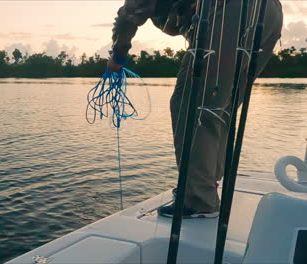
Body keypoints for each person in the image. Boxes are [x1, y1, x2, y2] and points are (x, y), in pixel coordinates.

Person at [107, 0, 283, 218]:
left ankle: (199, 199)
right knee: (220, 106)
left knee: (190, 104)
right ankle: (205, 184)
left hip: (229, 9)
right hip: (269, 12)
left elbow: (126, 15)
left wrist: (118, 56)